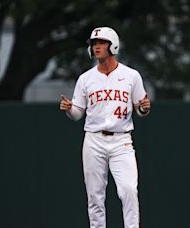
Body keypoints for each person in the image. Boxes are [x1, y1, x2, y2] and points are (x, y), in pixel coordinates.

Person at [59, 26, 151, 228]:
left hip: (122, 139)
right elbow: (77, 114)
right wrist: (68, 109)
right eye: (94, 44)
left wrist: (144, 108)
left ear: (113, 45)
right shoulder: (85, 79)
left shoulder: (131, 76)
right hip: (94, 139)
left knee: (128, 189)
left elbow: (140, 110)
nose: (96, 47)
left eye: (101, 43)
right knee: (95, 196)